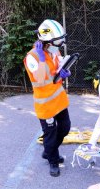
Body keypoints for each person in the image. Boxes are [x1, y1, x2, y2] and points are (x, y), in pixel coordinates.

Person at [23, 19, 72, 177]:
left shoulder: (54, 50)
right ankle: (53, 160)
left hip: (59, 100)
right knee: (50, 135)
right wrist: (42, 60)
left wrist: (64, 72)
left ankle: (49, 150)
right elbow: (40, 80)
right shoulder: (32, 57)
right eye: (56, 43)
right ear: (46, 41)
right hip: (45, 105)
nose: (58, 46)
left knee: (65, 127)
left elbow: (56, 71)